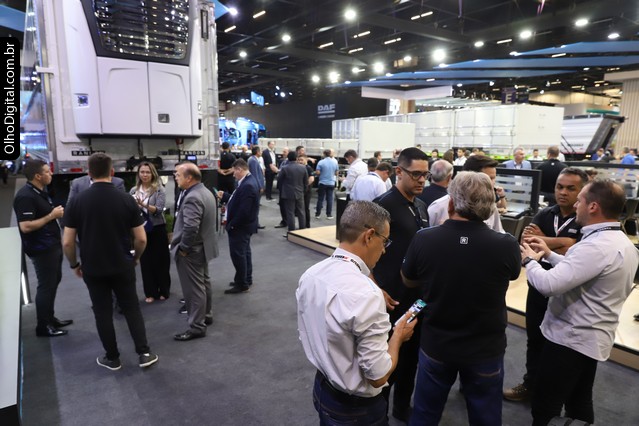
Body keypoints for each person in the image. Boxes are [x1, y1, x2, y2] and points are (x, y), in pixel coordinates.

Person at [402, 171, 521, 425]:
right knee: (486, 417)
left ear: (451, 204)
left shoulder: (424, 239)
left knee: (425, 414)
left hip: (437, 343)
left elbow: (408, 279)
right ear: (490, 207)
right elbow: (513, 275)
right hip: (486, 347)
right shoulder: (507, 244)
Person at [521, 179, 639, 426]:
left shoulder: (595, 246)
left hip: (570, 340)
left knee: (545, 405)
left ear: (593, 206)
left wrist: (529, 261)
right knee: (578, 400)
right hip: (591, 337)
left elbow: (549, 285)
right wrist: (549, 254)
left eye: (580, 200)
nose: (575, 205)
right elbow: (580, 270)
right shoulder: (620, 242)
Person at [296, 201, 417, 425]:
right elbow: (378, 376)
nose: (384, 250)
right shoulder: (367, 294)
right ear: (369, 236)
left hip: (323, 388)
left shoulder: (311, 274)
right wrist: (399, 336)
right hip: (356, 409)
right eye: (385, 241)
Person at [62, 153, 158, 370]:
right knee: (131, 308)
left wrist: (74, 264)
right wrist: (136, 258)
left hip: (93, 267)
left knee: (102, 312)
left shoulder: (76, 201)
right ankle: (144, 353)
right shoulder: (126, 199)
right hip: (123, 264)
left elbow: (67, 242)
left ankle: (112, 357)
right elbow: (141, 238)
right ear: (112, 172)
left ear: (89, 173)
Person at [503, 168, 588, 403]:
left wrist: (546, 241)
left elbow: (577, 251)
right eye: (560, 187)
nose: (563, 192)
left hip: (568, 292)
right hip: (538, 286)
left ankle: (552, 394)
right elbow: (528, 242)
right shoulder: (545, 213)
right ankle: (530, 385)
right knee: (535, 339)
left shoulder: (585, 218)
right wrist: (563, 242)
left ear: (582, 192)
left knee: (561, 347)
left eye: (571, 188)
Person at [372, 147, 429, 422]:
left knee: (411, 359)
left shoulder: (421, 206)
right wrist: (376, 288)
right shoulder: (382, 206)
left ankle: (402, 407)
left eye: (425, 175)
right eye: (416, 174)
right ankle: (379, 412)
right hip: (390, 300)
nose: (422, 180)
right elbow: (361, 252)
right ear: (399, 172)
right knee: (386, 361)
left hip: (417, 301)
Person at [14, 159, 71, 337]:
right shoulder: (26, 196)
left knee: (53, 282)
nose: (51, 174)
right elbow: (26, 226)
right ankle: (43, 326)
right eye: (47, 171)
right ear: (38, 176)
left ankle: (49, 319)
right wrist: (51, 216)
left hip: (51, 245)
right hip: (41, 248)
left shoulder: (38, 192)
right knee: (46, 286)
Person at [171, 162, 219, 341]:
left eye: (178, 175)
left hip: (192, 251)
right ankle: (206, 315)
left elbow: (191, 227)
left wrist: (184, 248)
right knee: (203, 283)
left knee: (194, 289)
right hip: (203, 247)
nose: (175, 177)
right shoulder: (205, 191)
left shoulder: (193, 197)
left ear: (189, 178)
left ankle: (197, 326)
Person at [428, 155, 505, 232]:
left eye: (494, 178)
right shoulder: (438, 207)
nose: (492, 183)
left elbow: (499, 233)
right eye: (488, 179)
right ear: (469, 178)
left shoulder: (490, 207)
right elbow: (427, 236)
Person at [129, 162, 171, 303]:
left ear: (153, 174)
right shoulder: (133, 190)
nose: (145, 175)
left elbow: (159, 210)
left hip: (157, 227)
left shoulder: (159, 189)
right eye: (142, 172)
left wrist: (143, 204)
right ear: (138, 174)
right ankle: (150, 292)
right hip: (141, 229)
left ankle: (164, 290)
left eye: (147, 172)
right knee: (146, 261)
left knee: (161, 260)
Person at [218, 159, 260, 295]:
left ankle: (242, 284)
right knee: (244, 253)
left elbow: (244, 211)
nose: (233, 175)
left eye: (234, 172)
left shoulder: (247, 185)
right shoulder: (247, 181)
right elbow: (238, 200)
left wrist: (232, 225)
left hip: (240, 227)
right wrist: (225, 196)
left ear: (239, 169)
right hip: (244, 227)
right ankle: (245, 279)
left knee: (238, 255)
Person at [277, 151, 307, 232]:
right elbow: (305, 181)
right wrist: (303, 190)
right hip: (299, 192)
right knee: (301, 211)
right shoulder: (303, 167)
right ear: (296, 158)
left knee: (290, 212)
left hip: (288, 193)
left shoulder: (284, 168)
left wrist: (281, 190)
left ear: (288, 158)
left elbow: (280, 180)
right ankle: (302, 230)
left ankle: (291, 230)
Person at [314, 149, 338, 220]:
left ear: (324, 154)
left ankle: (318, 214)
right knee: (330, 199)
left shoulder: (321, 162)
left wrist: (321, 174)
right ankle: (329, 214)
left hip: (322, 182)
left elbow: (318, 172)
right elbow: (336, 173)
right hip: (331, 183)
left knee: (320, 199)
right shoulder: (334, 162)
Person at [248, 146, 265, 230]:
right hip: (256, 186)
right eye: (260, 151)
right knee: (255, 206)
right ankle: (255, 223)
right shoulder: (253, 160)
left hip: (256, 185)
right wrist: (260, 186)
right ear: (257, 152)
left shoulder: (253, 159)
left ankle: (254, 223)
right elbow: (255, 174)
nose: (261, 152)